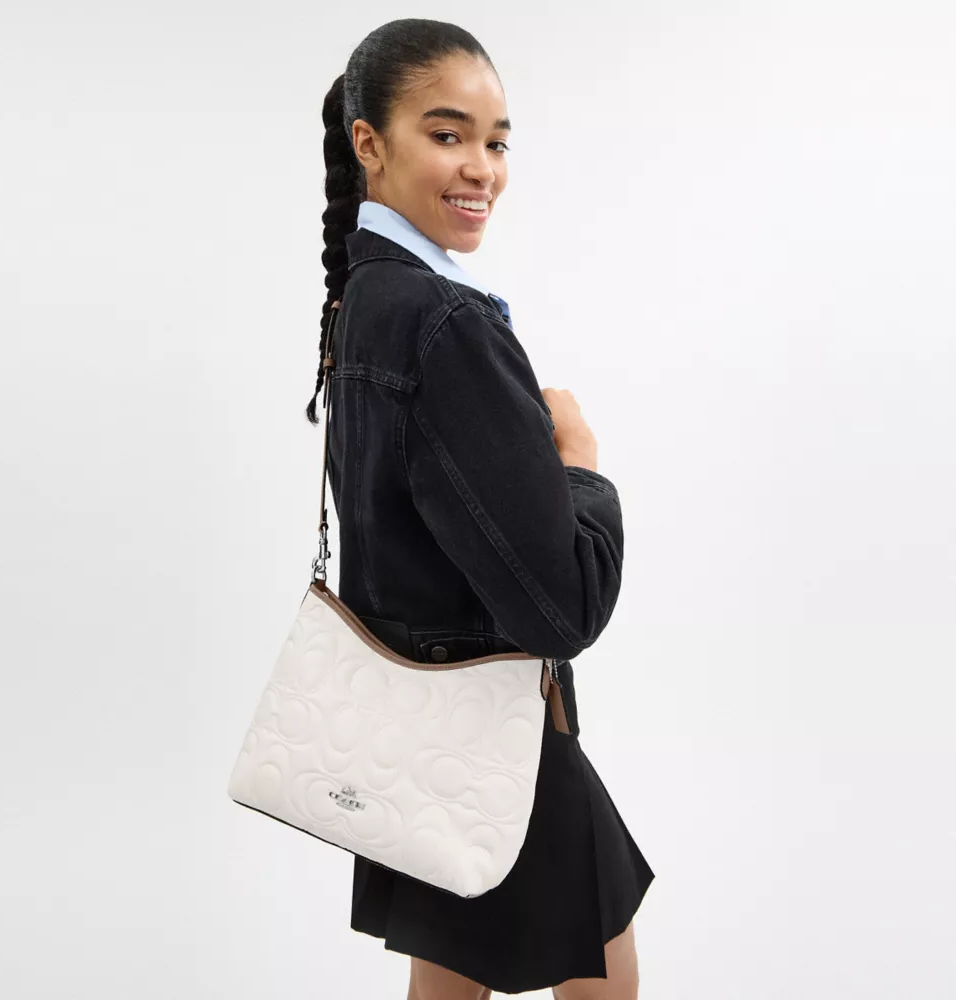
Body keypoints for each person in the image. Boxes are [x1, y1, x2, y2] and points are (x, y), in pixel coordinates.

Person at [307, 18, 655, 1000]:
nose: (481, 168)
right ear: (370, 142)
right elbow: (562, 609)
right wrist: (580, 466)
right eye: (447, 133)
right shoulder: (443, 319)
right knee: (600, 978)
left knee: (450, 982)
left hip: (420, 726)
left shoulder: (363, 299)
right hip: (497, 730)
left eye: (496, 141)